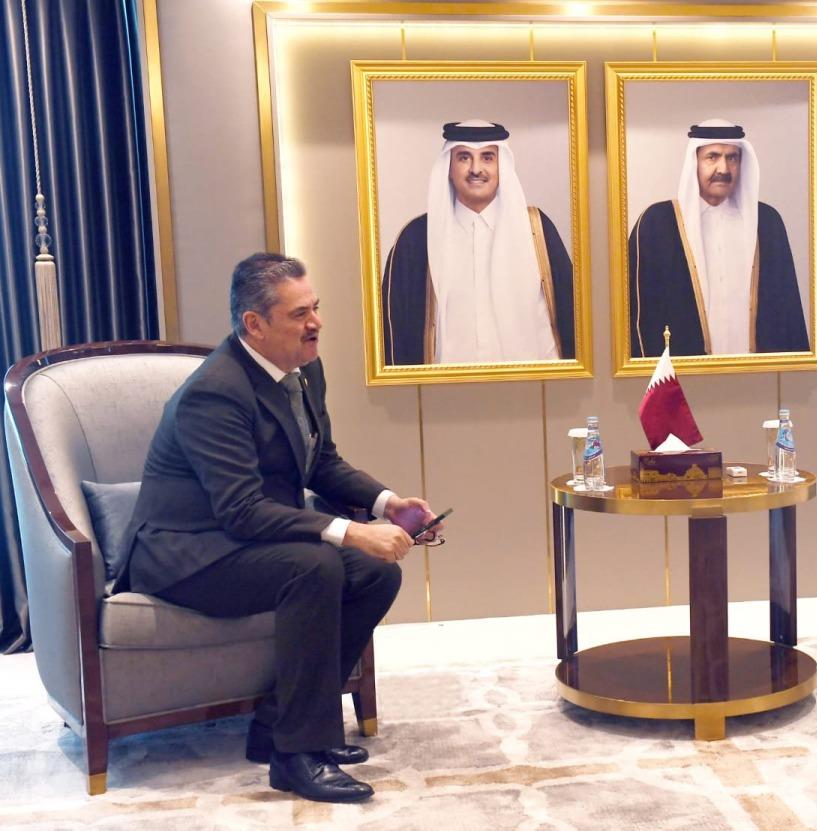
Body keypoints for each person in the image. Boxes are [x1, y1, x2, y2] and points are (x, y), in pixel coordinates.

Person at [122, 253, 444, 803]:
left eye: (315, 308)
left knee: (376, 573)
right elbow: (242, 510)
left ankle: (276, 723)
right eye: (299, 314)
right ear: (255, 324)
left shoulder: (303, 367)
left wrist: (387, 503)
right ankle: (297, 756)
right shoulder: (215, 392)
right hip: (185, 553)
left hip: (244, 539)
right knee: (313, 566)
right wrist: (351, 531)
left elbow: (322, 462)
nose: (316, 323)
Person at [381, 120, 575, 365]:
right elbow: (393, 334)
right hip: (444, 386)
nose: (475, 169)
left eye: (487, 157)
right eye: (464, 157)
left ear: (502, 165)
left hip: (532, 384)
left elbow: (571, 316)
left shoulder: (537, 230)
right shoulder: (416, 239)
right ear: (448, 167)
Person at [628, 118, 809, 358]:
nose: (723, 169)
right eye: (712, 157)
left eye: (732, 158)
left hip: (756, 372)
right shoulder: (657, 224)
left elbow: (788, 310)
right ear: (695, 162)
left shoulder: (766, 222)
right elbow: (638, 314)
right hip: (683, 374)